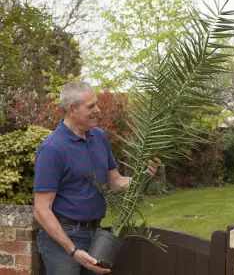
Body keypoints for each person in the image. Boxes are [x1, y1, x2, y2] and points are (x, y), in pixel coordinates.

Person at [33, 81, 161, 275]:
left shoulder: (99, 137)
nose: (98, 110)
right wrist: (73, 250)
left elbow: (114, 182)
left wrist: (143, 177)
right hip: (62, 239)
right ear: (72, 109)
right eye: (91, 106)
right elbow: (41, 210)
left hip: (97, 235)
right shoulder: (52, 149)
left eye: (97, 104)